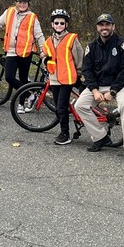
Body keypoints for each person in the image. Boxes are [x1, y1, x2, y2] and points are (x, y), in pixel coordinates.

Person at [77, 13, 124, 160]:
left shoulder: (123, 45)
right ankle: (100, 137)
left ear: (113, 27)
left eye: (107, 24)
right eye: (101, 25)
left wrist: (113, 91)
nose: (104, 27)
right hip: (99, 85)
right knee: (80, 105)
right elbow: (87, 70)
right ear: (97, 28)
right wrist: (94, 90)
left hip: (121, 85)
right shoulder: (91, 47)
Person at [0, 0, 45, 108]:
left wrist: (43, 50)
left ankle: (22, 104)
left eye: (25, 2)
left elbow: (39, 35)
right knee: (9, 77)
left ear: (28, 4)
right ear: (15, 2)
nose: (22, 4)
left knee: (23, 78)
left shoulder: (32, 17)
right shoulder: (9, 12)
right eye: (20, 2)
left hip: (25, 52)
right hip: (11, 51)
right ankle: (30, 96)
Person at [41, 9, 84, 145]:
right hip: (54, 78)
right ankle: (64, 129)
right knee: (58, 107)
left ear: (66, 24)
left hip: (68, 78)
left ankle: (65, 133)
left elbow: (79, 57)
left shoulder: (71, 39)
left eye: (62, 23)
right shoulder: (48, 41)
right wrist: (45, 61)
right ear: (52, 25)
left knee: (61, 107)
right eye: (56, 23)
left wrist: (79, 72)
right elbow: (44, 57)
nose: (59, 25)